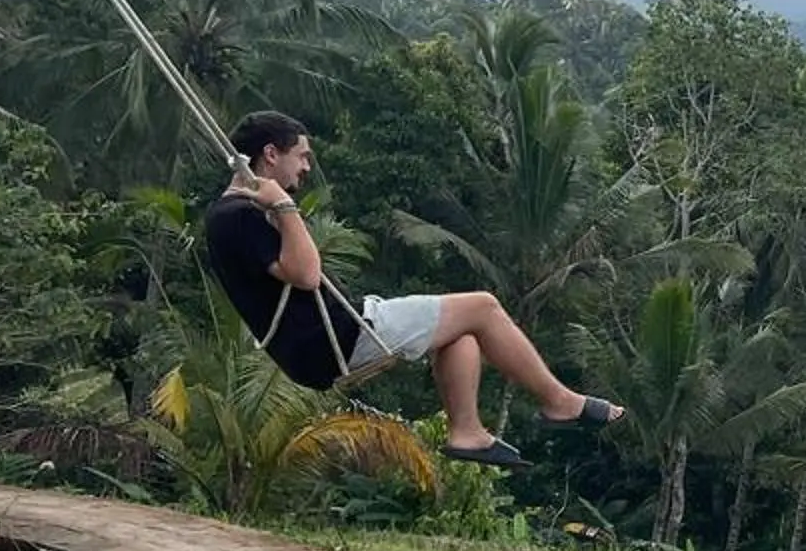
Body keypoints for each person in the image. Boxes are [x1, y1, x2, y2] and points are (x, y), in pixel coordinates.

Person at [200, 109, 622, 470]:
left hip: (330, 337)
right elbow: (308, 275)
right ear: (271, 154)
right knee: (485, 307)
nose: (306, 168)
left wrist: (275, 206)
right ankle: (559, 401)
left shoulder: (238, 213)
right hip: (337, 339)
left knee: (465, 331)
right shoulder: (237, 215)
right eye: (301, 156)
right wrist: (284, 206)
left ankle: (467, 433)